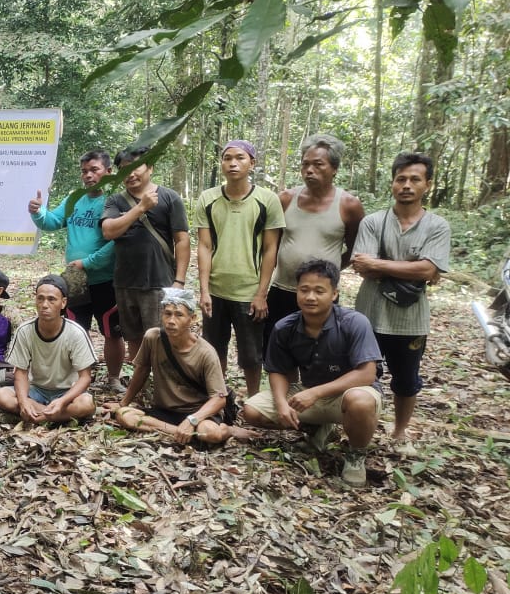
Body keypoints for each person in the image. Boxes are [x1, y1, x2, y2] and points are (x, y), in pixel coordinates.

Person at [243, 259, 384, 486]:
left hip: (350, 395)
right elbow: (278, 371)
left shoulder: (354, 323)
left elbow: (367, 374)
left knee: (359, 401)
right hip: (310, 395)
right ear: (296, 291)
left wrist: (316, 393)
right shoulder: (285, 327)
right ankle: (318, 429)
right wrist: (280, 403)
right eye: (304, 290)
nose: (310, 297)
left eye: (319, 291)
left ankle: (356, 454)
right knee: (251, 411)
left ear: (334, 294)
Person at [350, 152, 451, 450]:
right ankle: (356, 426)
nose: (406, 185)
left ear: (427, 185)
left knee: (407, 380)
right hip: (369, 314)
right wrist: (414, 269)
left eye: (415, 179)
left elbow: (429, 269)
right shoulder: (373, 222)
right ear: (393, 183)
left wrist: (380, 266)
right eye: (401, 179)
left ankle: (399, 432)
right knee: (360, 375)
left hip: (411, 320)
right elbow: (360, 265)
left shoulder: (437, 226)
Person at [28, 150, 126, 392]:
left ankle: (114, 378)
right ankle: (77, 378)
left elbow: (116, 242)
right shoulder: (75, 198)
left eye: (94, 170)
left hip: (105, 278)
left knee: (111, 330)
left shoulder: (115, 201)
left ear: (108, 171)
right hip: (74, 279)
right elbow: (51, 222)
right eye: (84, 171)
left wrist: (88, 262)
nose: (89, 176)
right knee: (74, 329)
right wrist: (37, 212)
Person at [192, 140, 285, 396]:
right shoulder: (208, 198)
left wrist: (261, 293)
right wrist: (204, 290)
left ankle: (253, 398)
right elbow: (204, 245)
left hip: (249, 291)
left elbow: (270, 249)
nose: (233, 163)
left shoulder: (267, 200)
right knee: (214, 348)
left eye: (240, 158)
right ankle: (220, 396)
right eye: (227, 158)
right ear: (221, 163)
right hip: (216, 289)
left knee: (251, 354)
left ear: (251, 163)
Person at [108, 289, 256, 444]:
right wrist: (122, 403)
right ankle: (180, 433)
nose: (171, 320)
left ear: (192, 319)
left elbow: (219, 399)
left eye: (179, 315)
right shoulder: (153, 337)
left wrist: (192, 420)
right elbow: (142, 370)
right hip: (165, 411)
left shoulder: (206, 353)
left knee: (210, 433)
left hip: (198, 413)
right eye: (167, 314)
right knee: (125, 415)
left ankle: (227, 430)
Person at [266, 134, 365, 348]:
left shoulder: (349, 205)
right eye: (305, 165)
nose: (309, 170)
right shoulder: (285, 199)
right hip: (282, 289)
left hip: (321, 295)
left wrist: (330, 269)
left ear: (334, 168)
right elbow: (272, 245)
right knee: (277, 349)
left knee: (318, 351)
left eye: (318, 164)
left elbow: (355, 246)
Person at [101, 145, 191, 363]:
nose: (130, 174)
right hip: (125, 282)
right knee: (133, 337)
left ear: (150, 167)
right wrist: (141, 208)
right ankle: (140, 382)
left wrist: (179, 280)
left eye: (135, 167)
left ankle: (165, 385)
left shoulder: (169, 197)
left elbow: (182, 240)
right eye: (123, 169)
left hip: (159, 282)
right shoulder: (115, 201)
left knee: (162, 336)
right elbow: (108, 231)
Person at [0, 275, 98, 424]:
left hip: (67, 391)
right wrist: (23, 401)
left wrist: (62, 401)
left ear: (63, 303)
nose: (44, 305)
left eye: (51, 299)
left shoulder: (75, 332)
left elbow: (85, 377)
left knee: (87, 403)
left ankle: (39, 416)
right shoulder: (25, 331)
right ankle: (54, 416)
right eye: (40, 298)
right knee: (1, 395)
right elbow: (20, 373)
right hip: (36, 390)